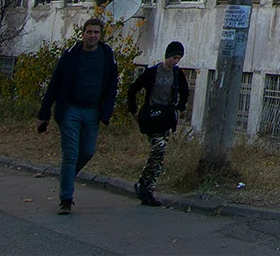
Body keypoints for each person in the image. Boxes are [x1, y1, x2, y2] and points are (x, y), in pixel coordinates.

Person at [36, 15, 118, 215]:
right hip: (70, 110)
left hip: (92, 111)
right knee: (70, 154)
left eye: (96, 32)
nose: (92, 36)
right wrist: (44, 113)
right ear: (83, 34)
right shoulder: (71, 55)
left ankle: (67, 177)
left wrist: (107, 110)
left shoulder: (106, 55)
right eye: (89, 32)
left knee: (87, 151)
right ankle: (66, 199)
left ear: (100, 36)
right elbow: (55, 84)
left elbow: (112, 85)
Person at [127, 40, 191, 207]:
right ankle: (143, 184)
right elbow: (133, 89)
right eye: (174, 57)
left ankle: (147, 190)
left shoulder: (178, 74)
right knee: (159, 148)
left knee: (159, 155)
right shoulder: (152, 72)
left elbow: (185, 92)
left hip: (166, 118)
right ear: (167, 56)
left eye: (178, 58)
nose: (176, 61)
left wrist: (180, 108)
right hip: (151, 117)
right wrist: (134, 111)